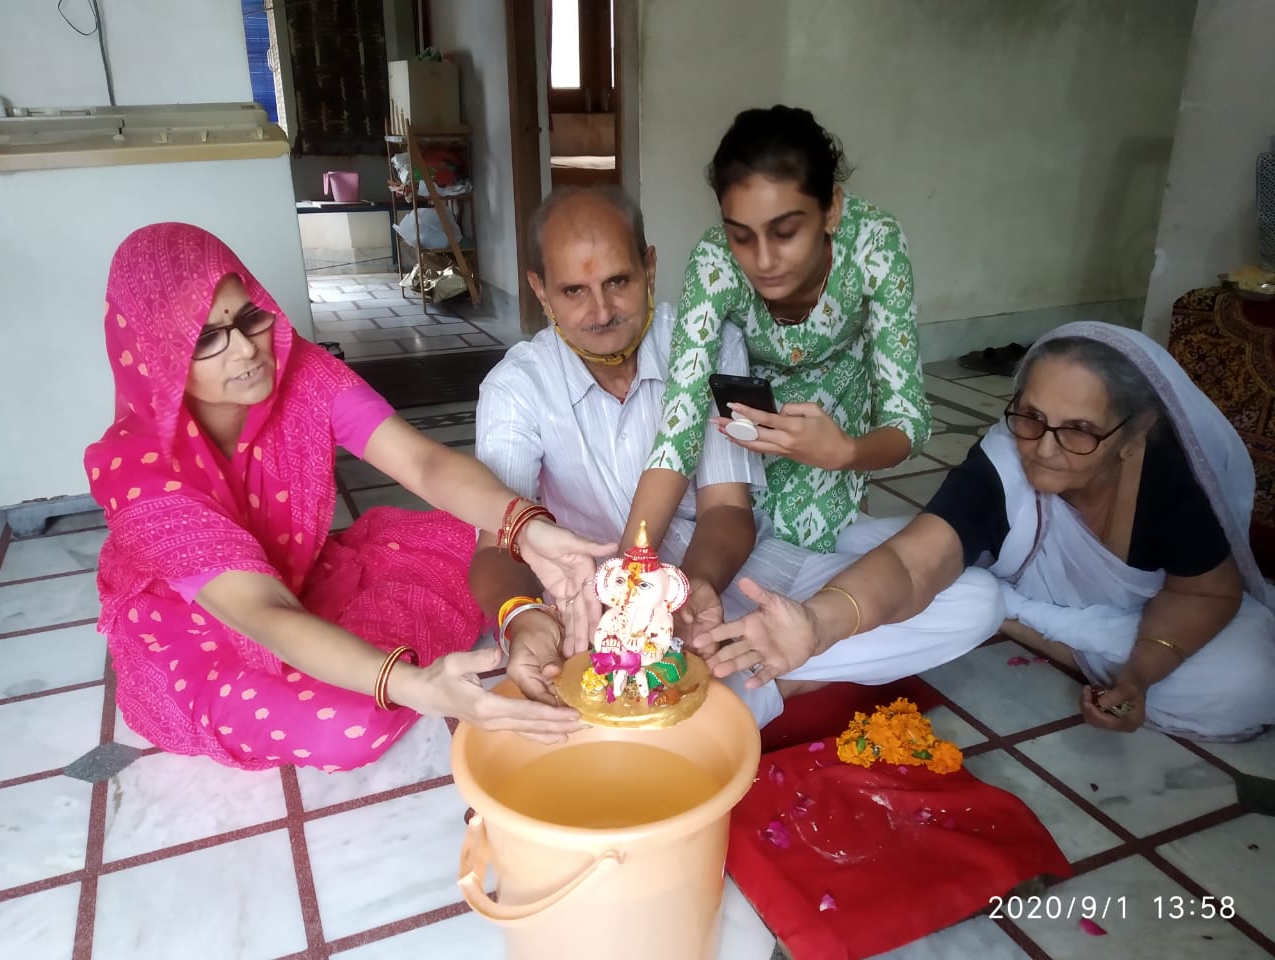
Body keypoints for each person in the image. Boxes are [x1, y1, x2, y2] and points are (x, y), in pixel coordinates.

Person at [84, 223, 611, 772]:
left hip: (295, 578)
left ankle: (377, 652)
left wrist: (526, 528)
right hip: (203, 630)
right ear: (156, 354)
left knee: (481, 535)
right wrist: (414, 683)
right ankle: (382, 669)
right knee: (354, 723)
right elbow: (264, 613)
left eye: (247, 318)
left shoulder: (300, 372)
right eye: (205, 338)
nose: (244, 349)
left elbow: (423, 463)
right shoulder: (138, 475)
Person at [467, 187, 1001, 728]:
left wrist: (693, 594)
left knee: (973, 602)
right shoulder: (516, 386)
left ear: (650, 268)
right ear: (540, 290)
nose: (601, 311)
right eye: (574, 290)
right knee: (628, 700)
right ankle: (766, 682)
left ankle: (764, 680)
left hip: (723, 579)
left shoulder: (706, 341)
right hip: (600, 611)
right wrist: (523, 616)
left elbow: (727, 510)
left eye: (618, 282)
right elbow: (495, 547)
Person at [703, 322, 1275, 741]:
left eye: (1079, 431)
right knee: (874, 554)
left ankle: (1017, 616)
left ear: (1135, 432)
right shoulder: (1004, 459)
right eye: (1030, 418)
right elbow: (911, 564)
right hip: (1072, 614)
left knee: (1251, 680)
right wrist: (815, 622)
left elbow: (1205, 592)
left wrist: (1143, 674)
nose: (1044, 449)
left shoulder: (1164, 480)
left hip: (1141, 623)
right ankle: (1019, 616)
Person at [625, 105, 931, 554]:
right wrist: (630, 564)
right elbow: (680, 424)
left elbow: (908, 420)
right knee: (733, 541)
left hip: (838, 412)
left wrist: (845, 452)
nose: (762, 261)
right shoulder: (714, 262)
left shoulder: (874, 243)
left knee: (823, 551)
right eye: (741, 236)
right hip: (753, 415)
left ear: (832, 210)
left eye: (785, 232)